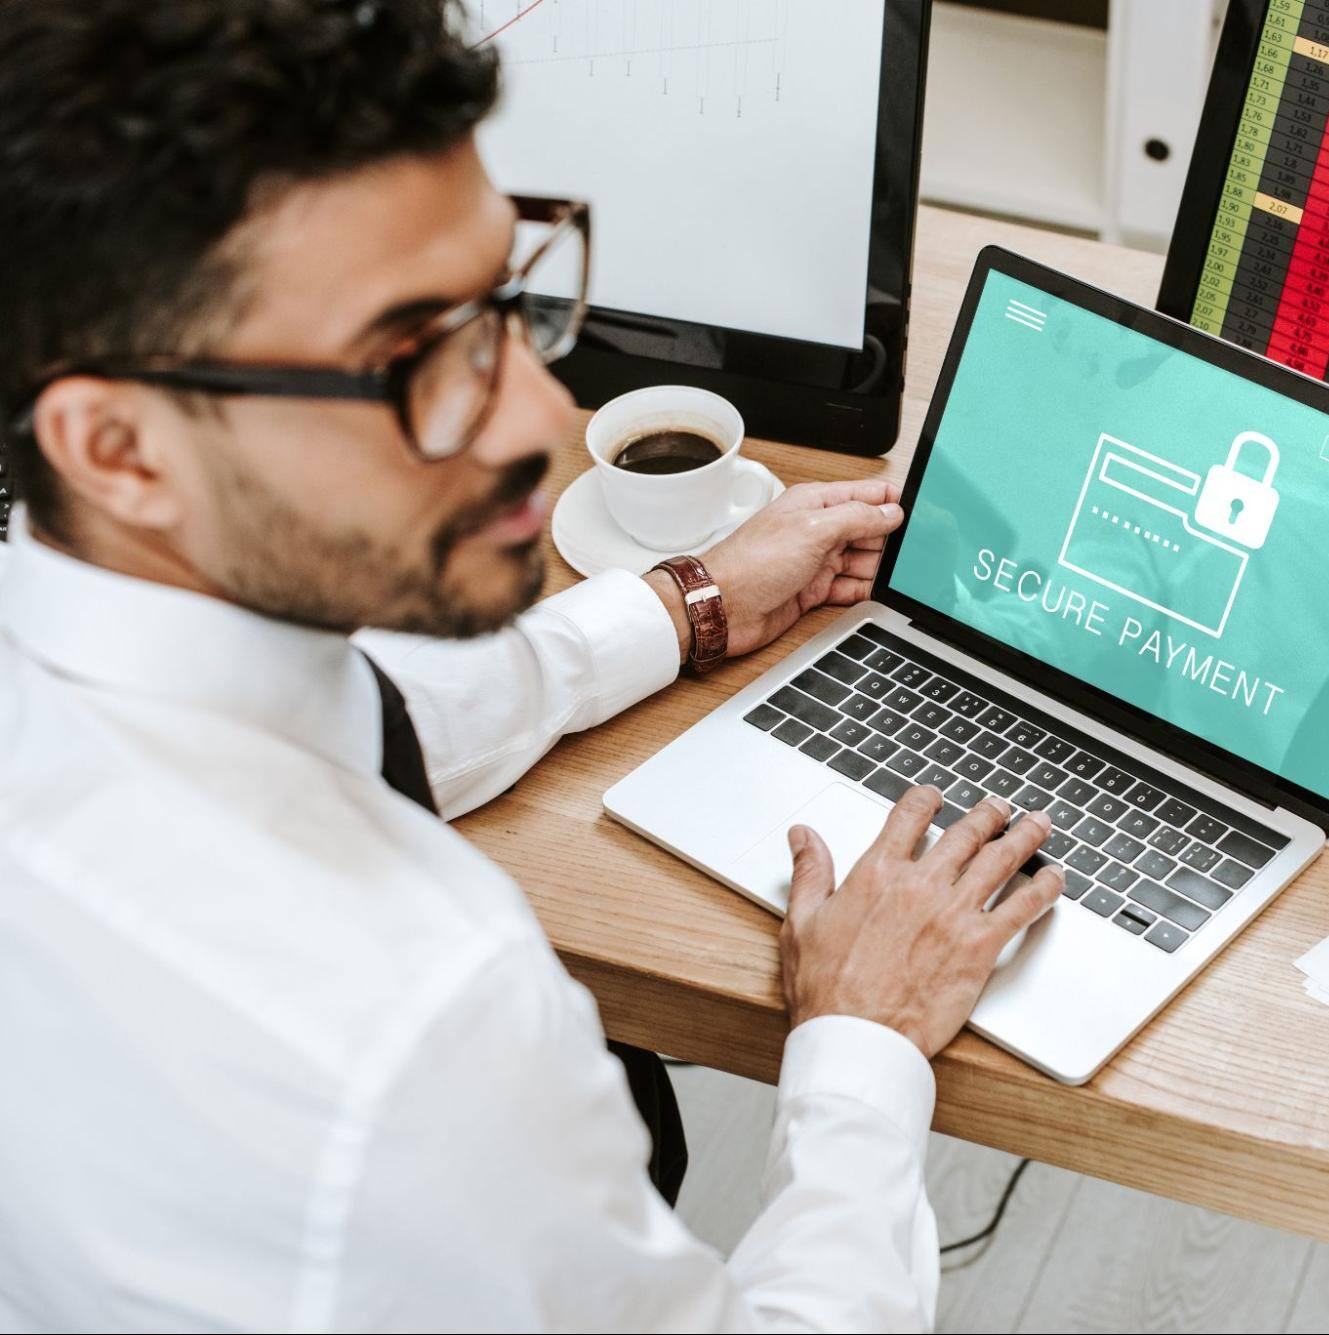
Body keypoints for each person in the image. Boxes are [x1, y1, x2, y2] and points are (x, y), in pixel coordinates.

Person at [0, 2, 1064, 1329]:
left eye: (508, 300)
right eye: (415, 357)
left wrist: (687, 603)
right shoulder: (414, 1032)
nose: (541, 413)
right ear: (118, 447)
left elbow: (358, 715)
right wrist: (863, 1044)